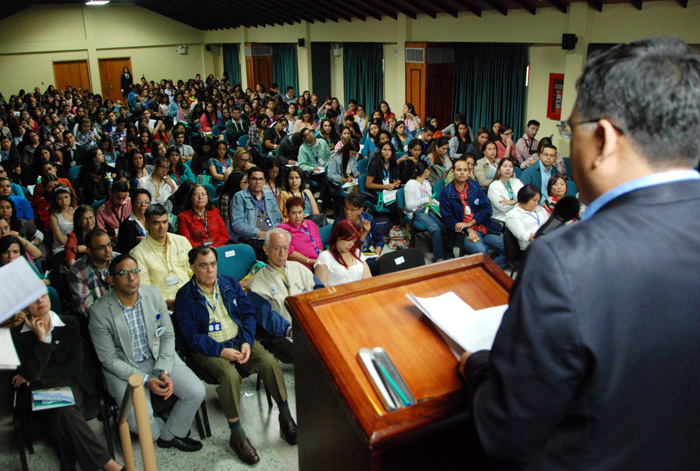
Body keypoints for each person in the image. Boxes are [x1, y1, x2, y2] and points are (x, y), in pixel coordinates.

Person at [459, 37, 700, 470]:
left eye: (571, 131)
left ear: (604, 138)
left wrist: (475, 366)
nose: (568, 148)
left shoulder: (564, 261)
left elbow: (507, 431)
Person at [174, 246, 297, 464]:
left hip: (239, 341)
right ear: (192, 267)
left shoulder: (230, 283)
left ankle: (285, 415)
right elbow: (192, 336)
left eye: (213, 264)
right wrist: (220, 350)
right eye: (203, 265)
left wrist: (247, 342)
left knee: (269, 361)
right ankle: (237, 435)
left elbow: (248, 314)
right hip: (208, 349)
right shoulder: (184, 296)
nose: (210, 270)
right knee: (229, 376)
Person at [89, 254, 205, 452]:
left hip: (159, 357)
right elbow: (108, 359)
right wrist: (145, 379)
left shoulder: (152, 294)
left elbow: (168, 336)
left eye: (135, 272)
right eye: (124, 274)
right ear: (111, 279)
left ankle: (170, 435)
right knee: (143, 427)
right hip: (125, 368)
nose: (132, 278)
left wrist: (164, 370)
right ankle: (160, 428)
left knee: (197, 391)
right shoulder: (99, 312)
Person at [11, 293, 125, 471]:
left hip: (71, 384)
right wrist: (41, 341)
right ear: (24, 307)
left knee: (62, 415)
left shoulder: (69, 323)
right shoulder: (17, 334)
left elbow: (74, 366)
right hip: (36, 392)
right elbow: (26, 374)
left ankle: (69, 466)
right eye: (33, 299)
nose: (40, 301)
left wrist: (37, 374)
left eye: (42, 296)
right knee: (64, 412)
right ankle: (107, 464)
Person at [247, 228, 324, 363]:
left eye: (285, 248)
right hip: (280, 334)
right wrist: (290, 330)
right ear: (266, 250)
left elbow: (320, 294)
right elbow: (267, 317)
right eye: (276, 248)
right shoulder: (256, 283)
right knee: (313, 356)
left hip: (308, 326)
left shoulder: (299, 268)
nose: (282, 254)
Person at [439, 158, 505, 267]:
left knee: (510, 250)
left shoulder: (474, 186)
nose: (462, 172)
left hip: (483, 226)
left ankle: (492, 269)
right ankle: (488, 272)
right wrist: (468, 229)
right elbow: (448, 219)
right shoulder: (447, 192)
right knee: (482, 253)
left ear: (469, 172)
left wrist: (471, 222)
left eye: (465, 170)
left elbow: (487, 208)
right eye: (459, 170)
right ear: (452, 172)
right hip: (464, 233)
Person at [130, 203, 192, 309]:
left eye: (164, 222)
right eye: (156, 223)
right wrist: (167, 302)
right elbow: (145, 288)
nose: (161, 227)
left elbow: (194, 272)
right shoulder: (138, 253)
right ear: (146, 224)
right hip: (163, 306)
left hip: (191, 297)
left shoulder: (182, 241)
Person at [228, 166, 282, 260]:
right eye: (254, 179)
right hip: (250, 240)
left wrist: (273, 233)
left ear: (264, 180)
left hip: (270, 238)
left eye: (260, 179)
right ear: (248, 180)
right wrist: (259, 233)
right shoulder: (239, 197)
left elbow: (277, 220)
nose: (258, 182)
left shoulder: (270, 197)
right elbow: (237, 224)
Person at [404, 161, 448, 262]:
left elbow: (430, 198)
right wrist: (425, 200)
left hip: (429, 209)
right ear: (425, 170)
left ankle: (447, 253)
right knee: (435, 229)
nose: (429, 172)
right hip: (417, 212)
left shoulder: (427, 183)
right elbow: (409, 206)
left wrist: (437, 204)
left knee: (444, 225)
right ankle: (439, 257)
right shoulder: (410, 184)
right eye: (428, 169)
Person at [69, 228, 116, 318]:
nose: (108, 250)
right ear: (89, 251)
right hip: (99, 321)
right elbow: (87, 309)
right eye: (101, 247)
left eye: (109, 245)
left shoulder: (119, 260)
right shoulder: (77, 272)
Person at [314, 219, 371, 287]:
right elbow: (322, 290)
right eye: (348, 240)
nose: (351, 244)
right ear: (337, 236)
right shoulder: (325, 257)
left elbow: (368, 281)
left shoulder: (357, 252)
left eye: (354, 241)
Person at [277, 196, 324, 270]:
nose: (297, 216)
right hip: (300, 267)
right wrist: (310, 261)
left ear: (304, 211)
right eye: (293, 213)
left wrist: (320, 259)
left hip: (319, 264)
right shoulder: (282, 229)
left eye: (300, 212)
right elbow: (288, 252)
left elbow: (319, 245)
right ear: (288, 213)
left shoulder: (311, 224)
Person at [504, 184, 549, 250]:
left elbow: (549, 224)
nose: (536, 203)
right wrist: (543, 237)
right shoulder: (513, 215)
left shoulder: (540, 209)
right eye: (534, 200)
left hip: (546, 242)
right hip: (531, 247)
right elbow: (523, 235)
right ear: (525, 198)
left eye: (538, 201)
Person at [487, 158, 524, 225]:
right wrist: (520, 202)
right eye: (505, 166)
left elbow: (527, 198)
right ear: (499, 170)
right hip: (503, 219)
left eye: (510, 166)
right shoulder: (494, 186)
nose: (508, 169)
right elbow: (503, 208)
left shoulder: (517, 181)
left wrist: (513, 201)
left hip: (520, 215)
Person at [116, 188, 150, 254]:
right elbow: (126, 248)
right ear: (132, 204)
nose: (143, 205)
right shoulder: (126, 225)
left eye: (146, 202)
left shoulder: (153, 220)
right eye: (139, 201)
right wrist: (136, 240)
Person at [48, 184, 75, 255]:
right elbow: (61, 240)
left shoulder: (76, 211)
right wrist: (77, 238)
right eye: (60, 198)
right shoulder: (54, 216)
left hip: (77, 246)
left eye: (66, 197)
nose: (64, 201)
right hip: (61, 249)